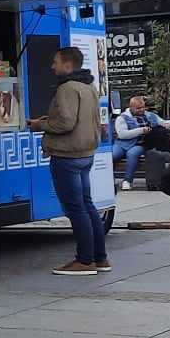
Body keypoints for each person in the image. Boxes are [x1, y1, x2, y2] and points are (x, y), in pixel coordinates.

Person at [28, 45, 107, 276]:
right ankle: (100, 257)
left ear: (68, 65)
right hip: (86, 154)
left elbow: (65, 123)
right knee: (87, 204)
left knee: (76, 209)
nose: (52, 66)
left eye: (56, 62)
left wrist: (40, 125)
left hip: (67, 156)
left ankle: (84, 261)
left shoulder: (67, 88)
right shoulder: (88, 86)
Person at [114, 95, 170, 191]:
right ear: (131, 107)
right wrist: (141, 130)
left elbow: (164, 123)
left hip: (140, 144)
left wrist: (166, 125)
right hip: (122, 143)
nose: (141, 110)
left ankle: (127, 181)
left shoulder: (150, 115)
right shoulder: (122, 118)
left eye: (143, 107)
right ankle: (108, 180)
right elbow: (122, 135)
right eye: (138, 108)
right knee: (112, 155)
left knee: (132, 154)